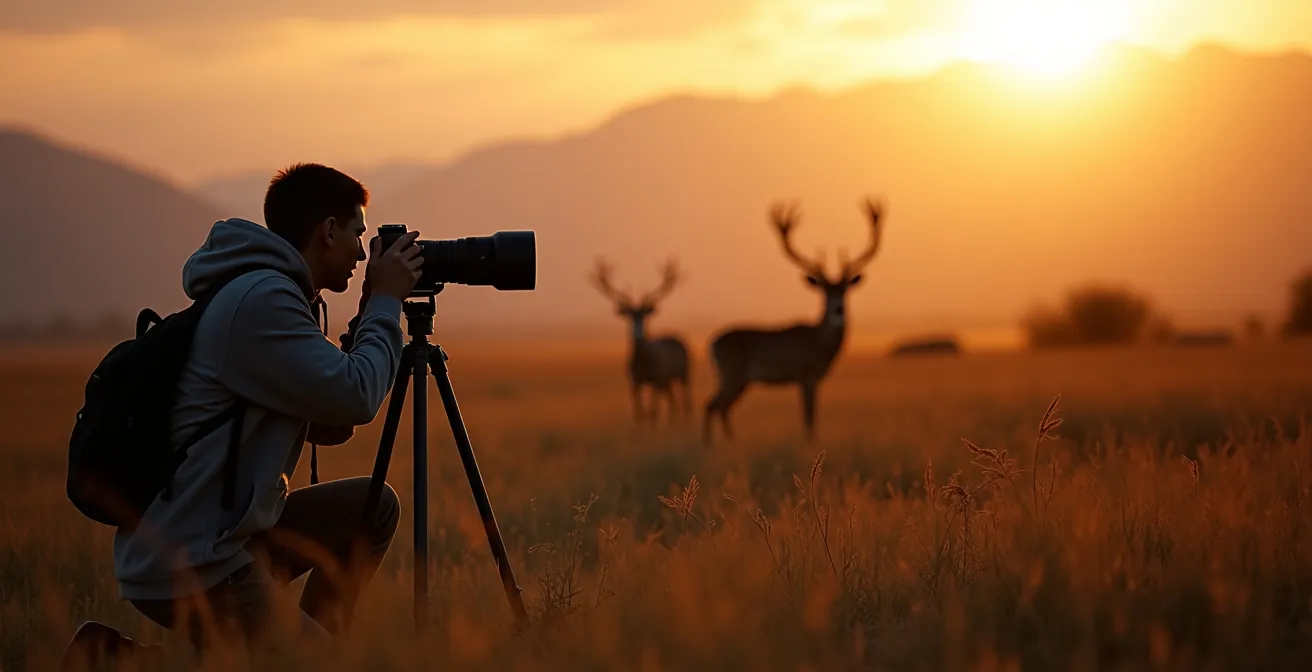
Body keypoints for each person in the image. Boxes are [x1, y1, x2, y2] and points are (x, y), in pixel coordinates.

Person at [61, 163, 424, 665]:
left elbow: (333, 423)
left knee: (372, 507)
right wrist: (386, 304)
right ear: (329, 230)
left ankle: (304, 647)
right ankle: (110, 660)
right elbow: (357, 397)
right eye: (359, 235)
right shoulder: (263, 302)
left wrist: (368, 313)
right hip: (195, 558)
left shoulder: (280, 297)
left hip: (229, 534)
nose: (364, 254)